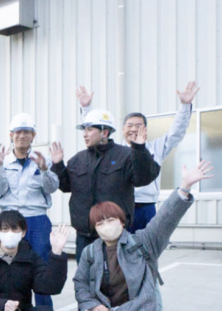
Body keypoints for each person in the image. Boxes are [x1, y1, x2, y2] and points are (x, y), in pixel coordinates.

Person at [72, 160, 213, 311]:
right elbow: (80, 283)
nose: (106, 226)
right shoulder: (91, 252)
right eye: (100, 223)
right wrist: (91, 305)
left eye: (111, 220)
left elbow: (165, 220)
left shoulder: (143, 242)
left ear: (122, 221)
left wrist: (184, 187)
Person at [76, 82, 198, 232]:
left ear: (145, 129)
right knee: (117, 245)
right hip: (118, 209)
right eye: (129, 125)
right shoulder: (113, 151)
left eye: (138, 125)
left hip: (146, 208)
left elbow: (176, 133)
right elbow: (95, 134)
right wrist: (86, 108)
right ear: (122, 129)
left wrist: (185, 106)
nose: (133, 129)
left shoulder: (155, 149)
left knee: (148, 245)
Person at [50, 107, 160, 262]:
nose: (85, 134)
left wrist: (140, 150)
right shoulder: (77, 159)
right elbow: (65, 186)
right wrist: (58, 165)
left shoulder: (126, 155)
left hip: (115, 236)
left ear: (105, 133)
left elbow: (143, 178)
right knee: (86, 275)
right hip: (85, 236)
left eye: (89, 129)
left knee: (116, 275)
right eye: (84, 130)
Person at [0, 113, 60, 308]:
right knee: (9, 263)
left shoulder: (43, 159)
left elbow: (51, 188)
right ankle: (13, 309)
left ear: (33, 135)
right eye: (18, 132)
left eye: (27, 132)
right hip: (10, 220)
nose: (22, 136)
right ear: (11, 135)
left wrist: (45, 169)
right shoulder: (2, 160)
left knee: (41, 264)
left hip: (37, 219)